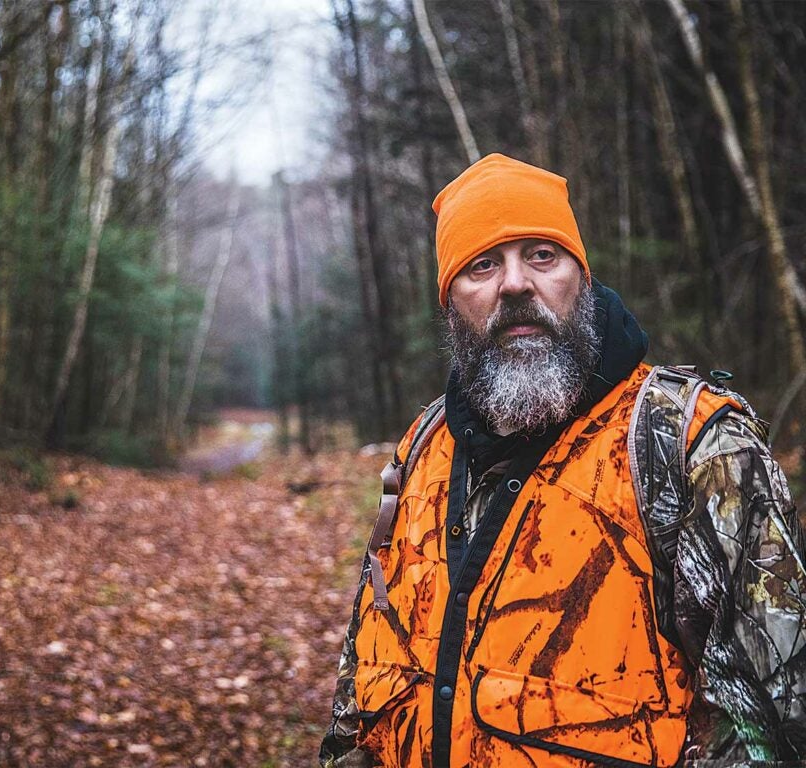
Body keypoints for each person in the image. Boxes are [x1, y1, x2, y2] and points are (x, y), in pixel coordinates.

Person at [319, 153, 806, 767]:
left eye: (541, 256)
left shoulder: (690, 447)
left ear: (581, 275)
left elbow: (775, 722)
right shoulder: (421, 451)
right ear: (450, 303)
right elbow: (360, 689)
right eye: (482, 265)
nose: (516, 283)